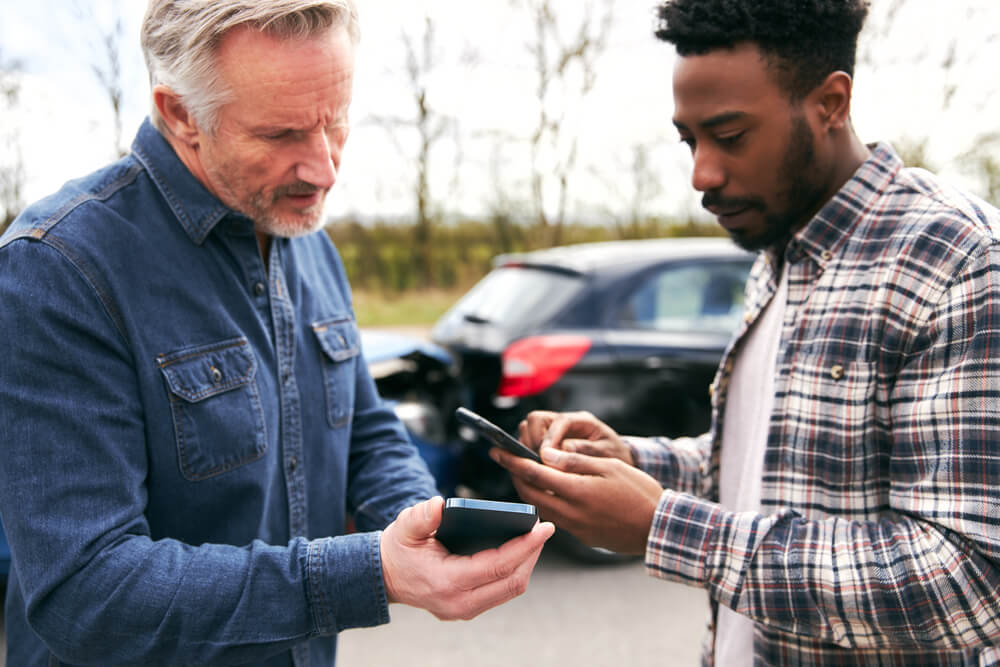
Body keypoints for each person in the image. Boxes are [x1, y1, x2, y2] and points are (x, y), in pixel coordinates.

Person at [0, 1, 553, 665]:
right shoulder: (58, 267)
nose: (324, 169)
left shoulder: (308, 241)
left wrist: (423, 523)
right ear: (180, 114)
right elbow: (87, 593)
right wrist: (371, 572)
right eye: (281, 134)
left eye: (336, 119)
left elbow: (364, 431)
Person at [493, 0, 1000, 664]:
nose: (701, 174)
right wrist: (632, 462)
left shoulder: (959, 260)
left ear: (830, 103)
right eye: (689, 140)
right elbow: (772, 465)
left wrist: (664, 526)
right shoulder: (777, 247)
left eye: (729, 137)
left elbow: (968, 581)